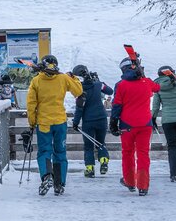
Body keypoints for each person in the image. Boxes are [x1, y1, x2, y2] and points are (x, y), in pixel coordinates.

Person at [23, 55, 83, 196]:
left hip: (44, 123)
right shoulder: (62, 78)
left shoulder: (36, 81)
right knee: (60, 153)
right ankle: (59, 184)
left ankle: (46, 176)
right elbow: (78, 91)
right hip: (60, 121)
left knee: (44, 152)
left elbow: (31, 104)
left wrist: (32, 122)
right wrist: (73, 77)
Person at [110, 55, 161, 195]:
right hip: (145, 124)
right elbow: (157, 88)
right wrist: (143, 76)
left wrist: (113, 123)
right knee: (143, 154)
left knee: (127, 153)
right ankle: (143, 186)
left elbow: (116, 106)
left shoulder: (121, 85)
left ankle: (130, 181)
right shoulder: (146, 82)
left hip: (127, 124)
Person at [71, 65, 114, 178]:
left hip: (88, 121)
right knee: (101, 143)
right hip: (101, 118)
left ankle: (90, 169)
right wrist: (99, 81)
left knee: (88, 146)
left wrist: (75, 123)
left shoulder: (80, 90)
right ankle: (104, 161)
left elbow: (79, 109)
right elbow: (110, 91)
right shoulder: (98, 85)